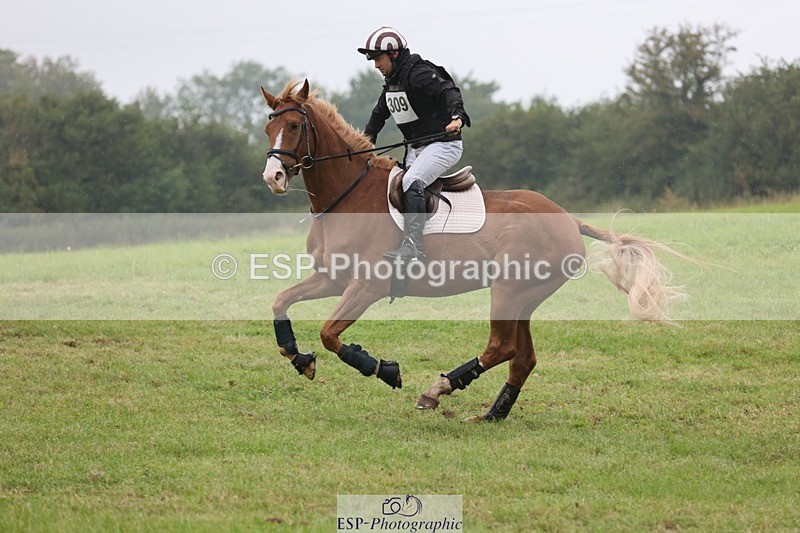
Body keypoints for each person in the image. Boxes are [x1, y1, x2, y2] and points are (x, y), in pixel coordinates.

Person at [358, 26, 471, 261]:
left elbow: (449, 92)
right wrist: (362, 148)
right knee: (393, 183)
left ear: (394, 54)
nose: (376, 65)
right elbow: (378, 117)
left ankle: (414, 247)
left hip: (444, 144)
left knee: (411, 180)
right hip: (418, 149)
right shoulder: (392, 82)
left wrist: (457, 117)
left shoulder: (418, 73)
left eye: (378, 59)